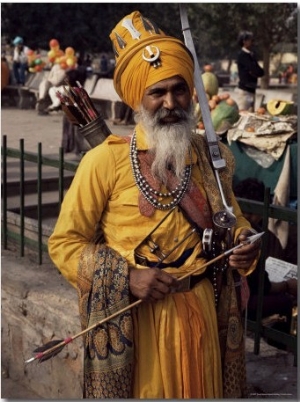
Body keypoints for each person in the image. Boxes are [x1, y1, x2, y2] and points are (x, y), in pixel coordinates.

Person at [48, 10, 261, 399]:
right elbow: (64, 244)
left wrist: (245, 240)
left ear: (191, 93)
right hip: (138, 327)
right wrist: (127, 279)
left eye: (179, 90)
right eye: (157, 93)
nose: (170, 103)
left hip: (203, 316)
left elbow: (232, 219)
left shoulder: (214, 160)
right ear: (138, 99)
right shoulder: (104, 162)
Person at [234, 178, 297, 344]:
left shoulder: (263, 234)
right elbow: (260, 286)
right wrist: (287, 286)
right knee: (286, 302)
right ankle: (278, 343)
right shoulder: (246, 233)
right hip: (241, 301)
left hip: (245, 294)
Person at [235, 31, 264, 112]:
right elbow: (254, 69)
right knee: (243, 114)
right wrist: (254, 71)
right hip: (244, 91)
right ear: (244, 41)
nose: (252, 42)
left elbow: (260, 72)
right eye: (250, 40)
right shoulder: (242, 55)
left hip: (252, 90)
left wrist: (254, 72)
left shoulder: (251, 55)